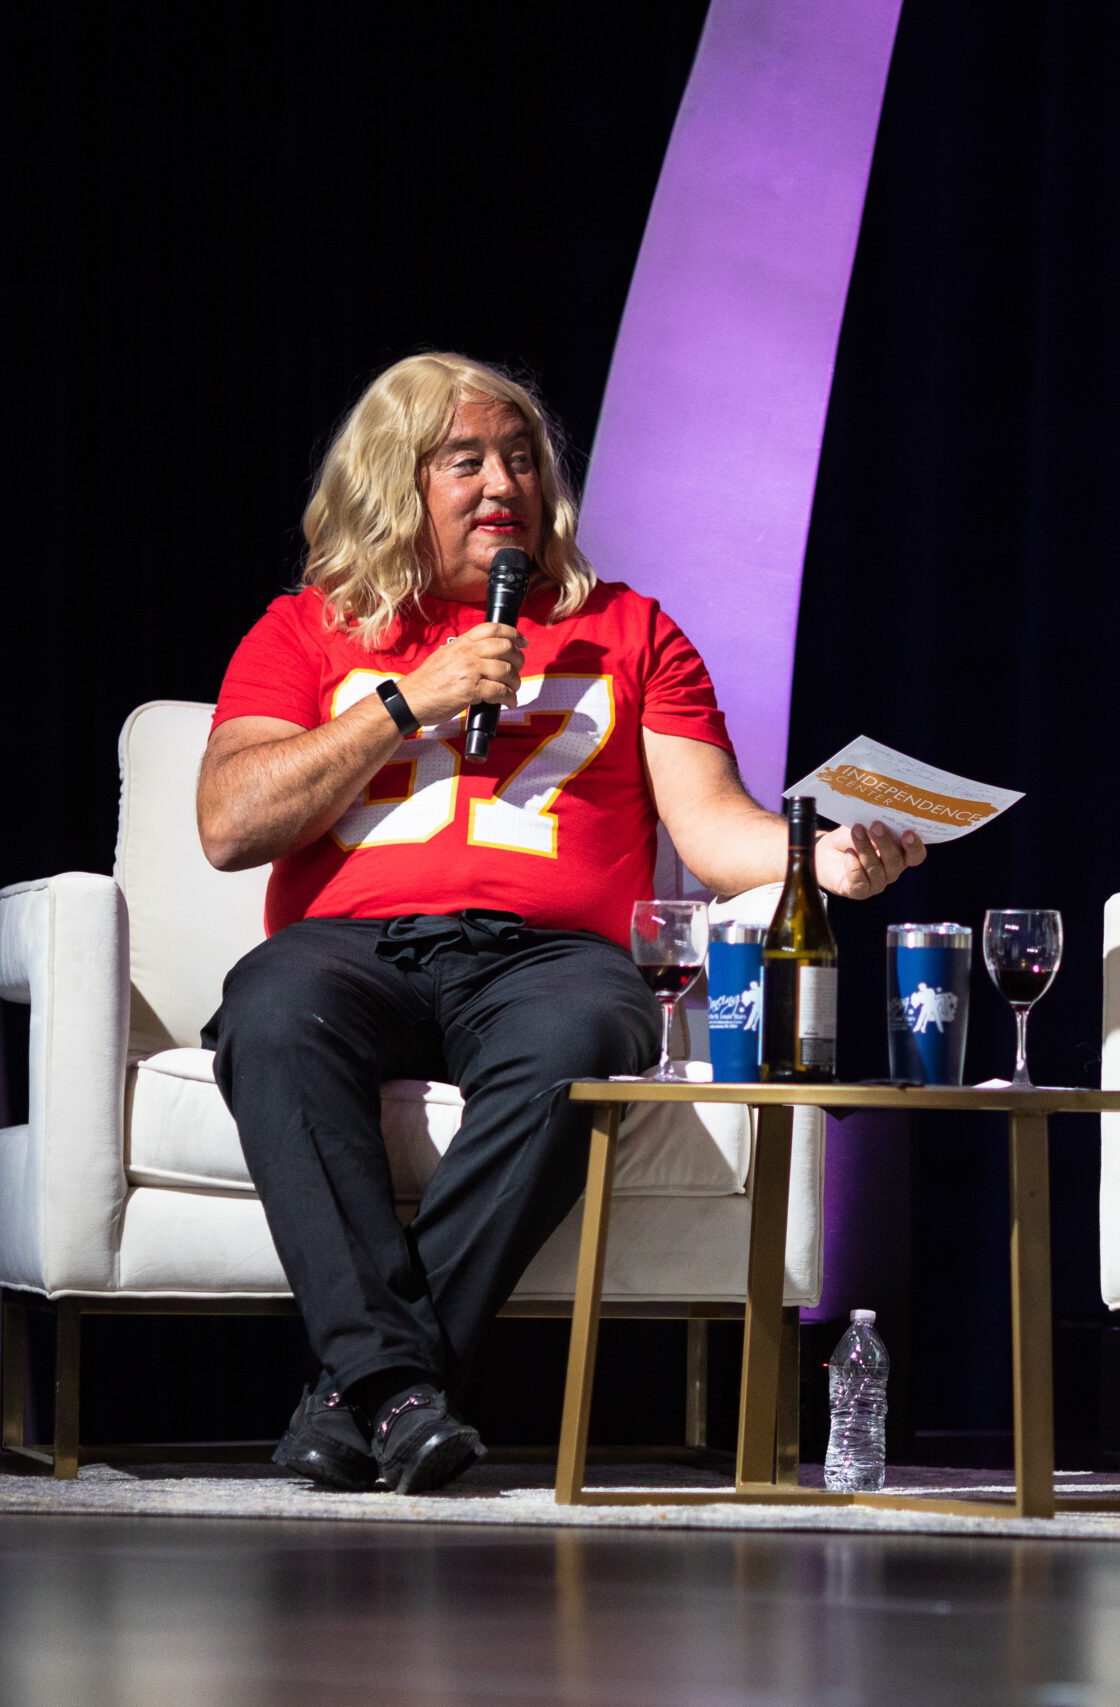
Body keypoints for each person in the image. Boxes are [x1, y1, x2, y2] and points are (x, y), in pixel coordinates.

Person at [196, 353, 925, 1494]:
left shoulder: (630, 631)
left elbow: (712, 824)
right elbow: (232, 825)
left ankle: (364, 1395)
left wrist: (816, 860)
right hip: (350, 954)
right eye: (466, 460)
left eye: (522, 459)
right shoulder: (305, 632)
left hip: (548, 963)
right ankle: (400, 1395)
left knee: (592, 1035)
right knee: (268, 1011)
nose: (505, 484)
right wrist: (414, 698)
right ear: (398, 480)